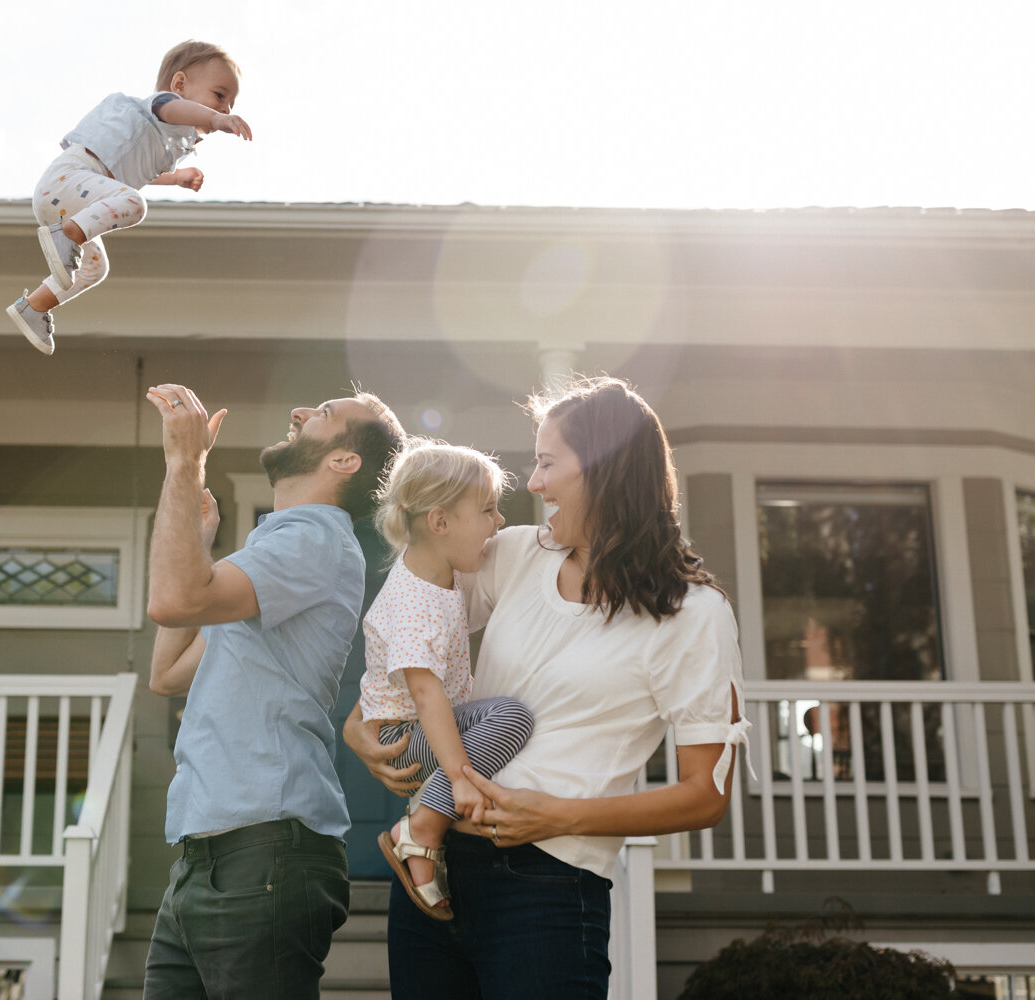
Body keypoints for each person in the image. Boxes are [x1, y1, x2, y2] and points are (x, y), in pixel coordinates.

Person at [344, 376, 752, 999]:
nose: (532, 484)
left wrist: (561, 816)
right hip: (436, 867)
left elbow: (705, 796)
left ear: (605, 470)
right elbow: (408, 644)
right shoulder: (513, 556)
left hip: (549, 888)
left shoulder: (693, 616)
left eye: (545, 462)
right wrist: (359, 724)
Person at [142, 382, 404, 1000]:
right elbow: (168, 671)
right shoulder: (278, 550)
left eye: (326, 414)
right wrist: (199, 542)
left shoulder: (311, 539)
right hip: (206, 856)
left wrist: (185, 465)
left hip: (265, 851)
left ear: (345, 461)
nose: (300, 412)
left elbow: (172, 600)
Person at [361, 439, 533, 922]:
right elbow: (425, 692)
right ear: (439, 523)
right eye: (488, 510)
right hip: (403, 737)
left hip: (418, 729)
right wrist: (458, 777)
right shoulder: (415, 603)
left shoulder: (439, 575)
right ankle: (422, 829)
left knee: (501, 715)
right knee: (511, 716)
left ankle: (421, 825)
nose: (498, 522)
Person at [6, 40, 252, 356]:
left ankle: (34, 306)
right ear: (180, 84)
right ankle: (67, 237)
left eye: (230, 104)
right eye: (220, 96)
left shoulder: (161, 141)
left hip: (77, 198)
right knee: (134, 204)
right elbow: (177, 109)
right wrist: (216, 120)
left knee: (95, 267)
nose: (226, 108)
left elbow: (139, 172)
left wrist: (177, 177)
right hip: (70, 178)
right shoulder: (162, 104)